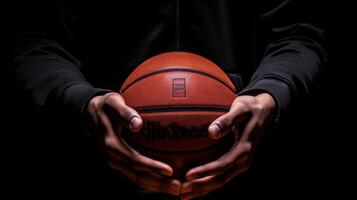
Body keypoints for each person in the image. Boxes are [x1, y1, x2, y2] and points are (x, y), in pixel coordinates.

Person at [10, 0, 326, 199]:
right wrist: (81, 99)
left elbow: (300, 30)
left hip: (250, 172)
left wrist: (269, 92)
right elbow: (33, 38)